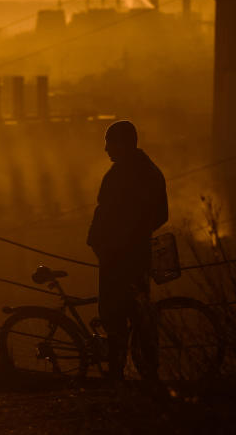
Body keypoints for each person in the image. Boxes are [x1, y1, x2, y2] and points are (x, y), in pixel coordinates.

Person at [86, 120, 168, 381]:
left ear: (124, 143)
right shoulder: (150, 171)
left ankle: (118, 371)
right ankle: (147, 371)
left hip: (117, 257)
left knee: (114, 315)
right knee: (138, 315)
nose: (106, 149)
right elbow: (160, 215)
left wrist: (112, 241)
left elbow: (108, 213)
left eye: (110, 142)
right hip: (134, 255)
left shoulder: (123, 175)